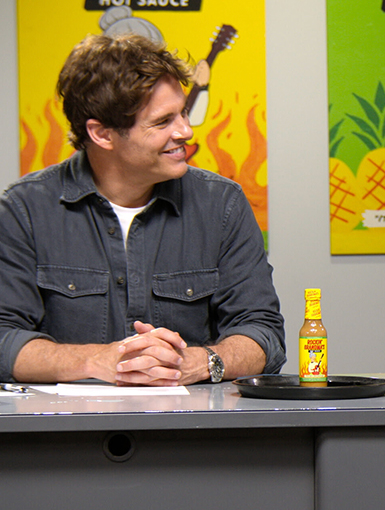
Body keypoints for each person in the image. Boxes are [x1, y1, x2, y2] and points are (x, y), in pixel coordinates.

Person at [0, 33, 284, 385]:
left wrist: (197, 363)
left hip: (191, 419)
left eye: (183, 113)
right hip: (68, 420)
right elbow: (3, 338)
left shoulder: (223, 203)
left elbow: (263, 334)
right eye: (163, 122)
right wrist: (96, 361)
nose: (186, 131)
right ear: (102, 134)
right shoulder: (24, 209)